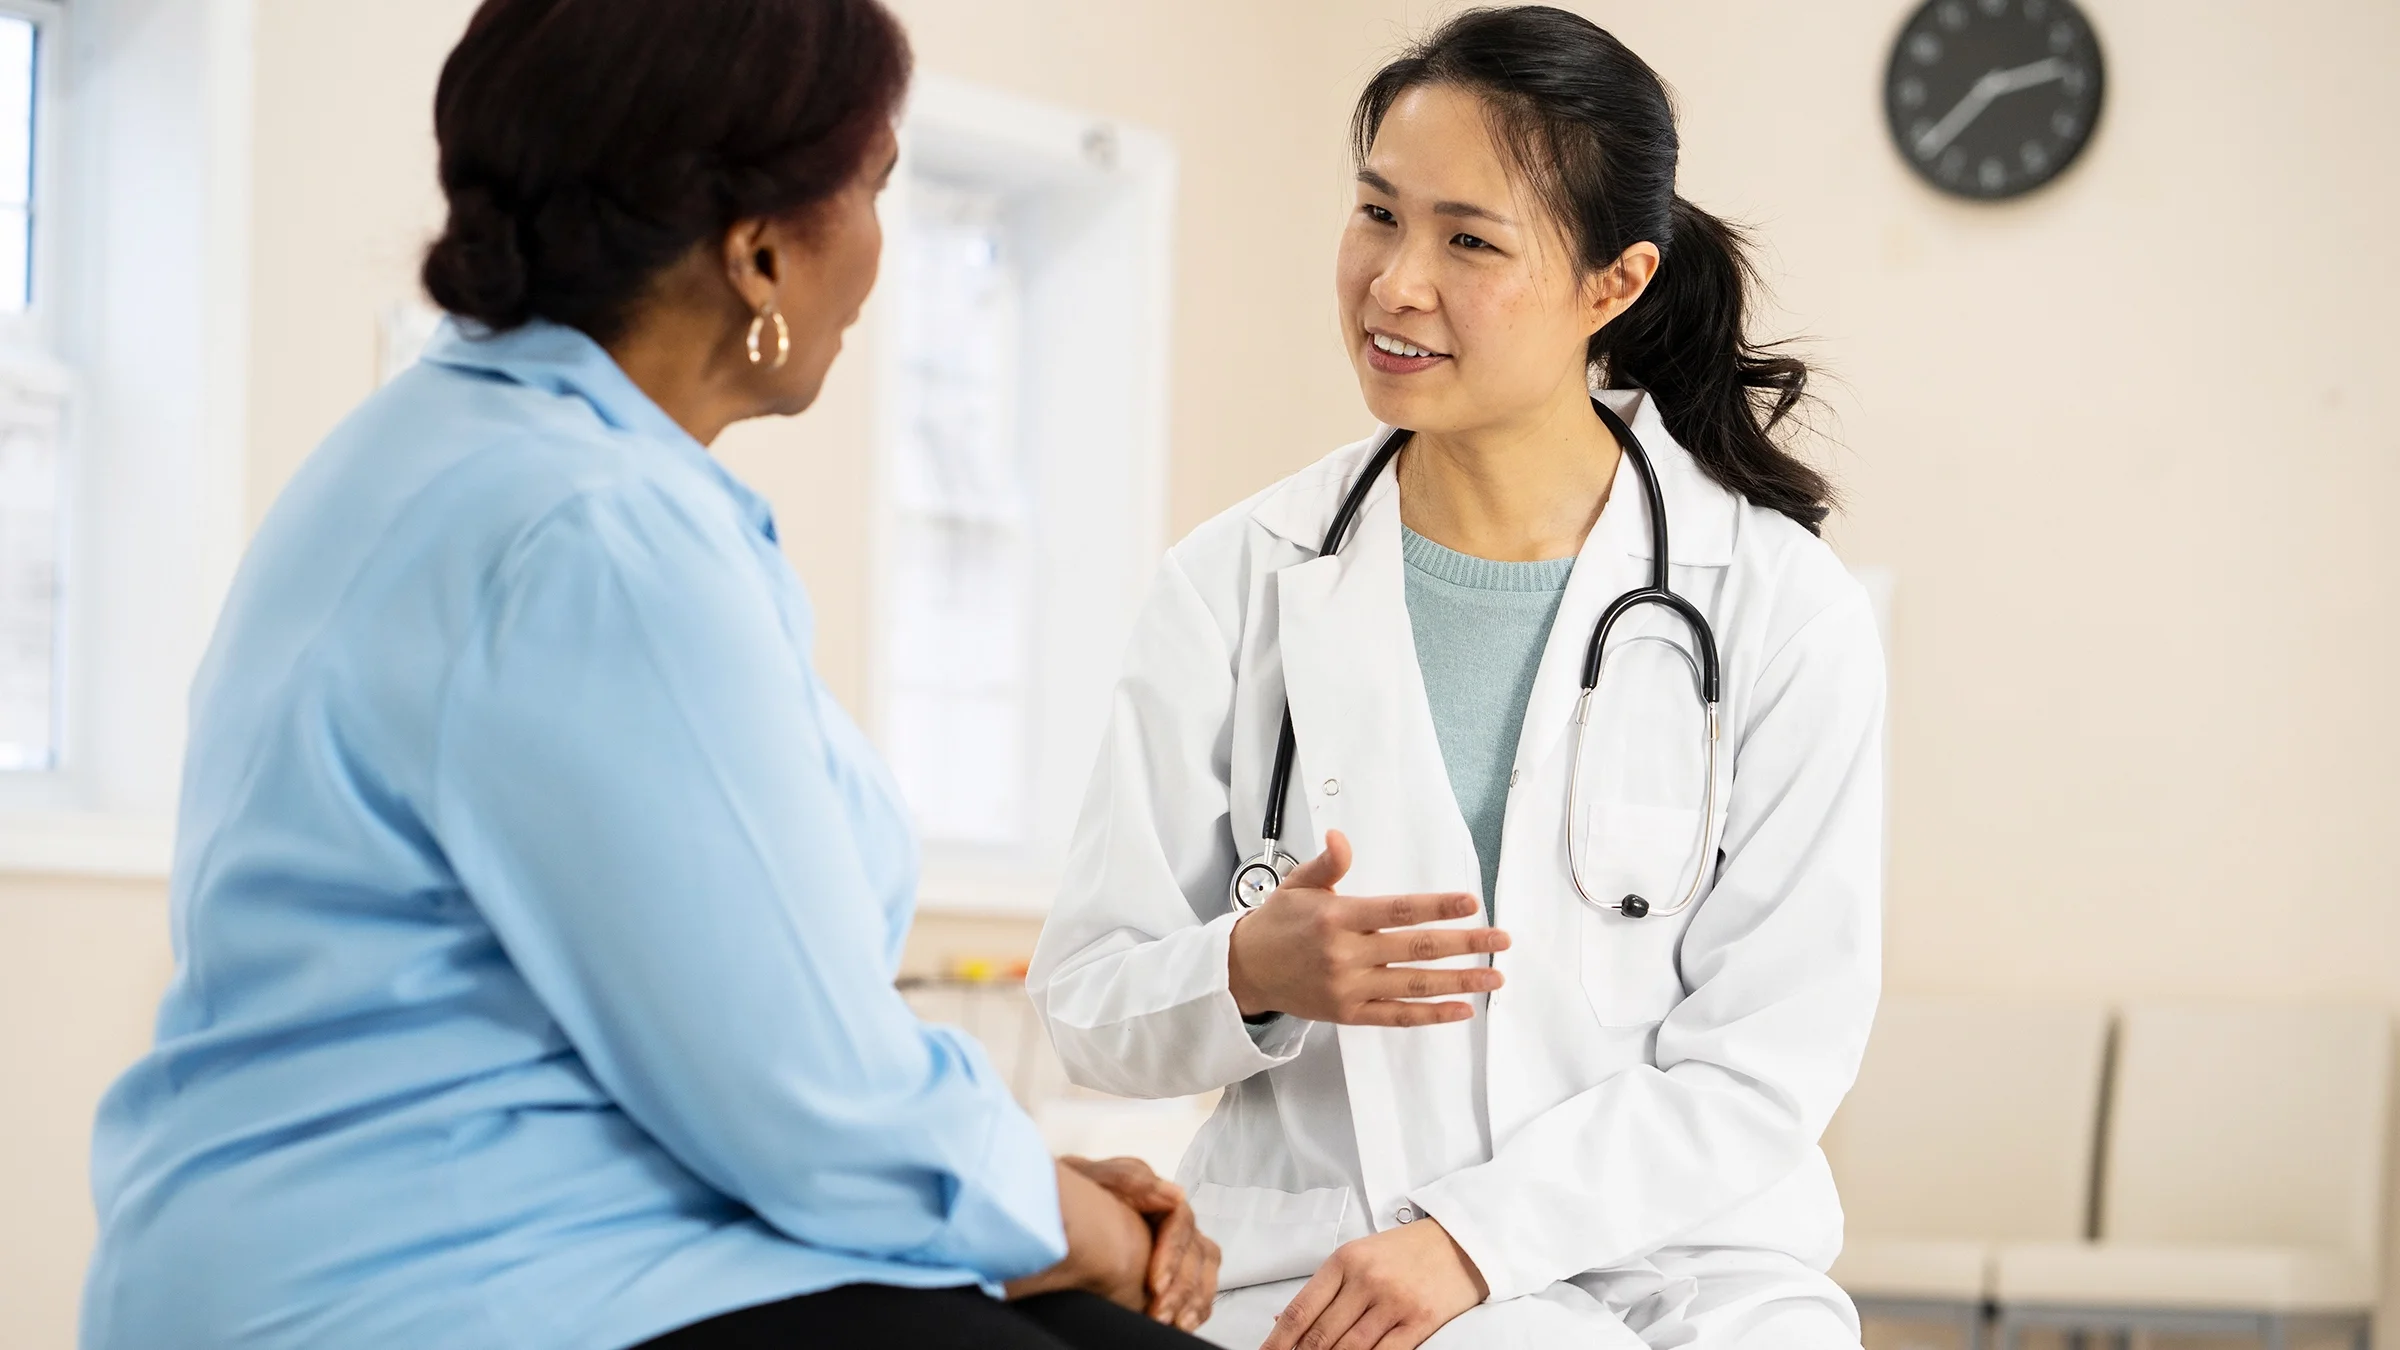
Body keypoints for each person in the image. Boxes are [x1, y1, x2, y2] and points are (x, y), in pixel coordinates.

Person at [77, 2, 1220, 1348]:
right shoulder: (593, 536)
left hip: (461, 1244)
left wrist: (1015, 1196)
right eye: (875, 191)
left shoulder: (444, 454)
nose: (878, 253)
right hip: (439, 1285)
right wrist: (1082, 1224)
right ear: (760, 252)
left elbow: (748, 1067)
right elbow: (805, 1094)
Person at [1029, 7, 1885, 1348]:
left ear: (1616, 283)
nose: (1395, 283)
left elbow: (1769, 1052)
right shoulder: (1234, 581)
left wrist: (1481, 1238)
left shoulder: (1775, 606)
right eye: (1378, 215)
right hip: (1328, 1258)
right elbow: (1088, 1003)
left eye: (1469, 241)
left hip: (1693, 1277)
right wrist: (1249, 967)